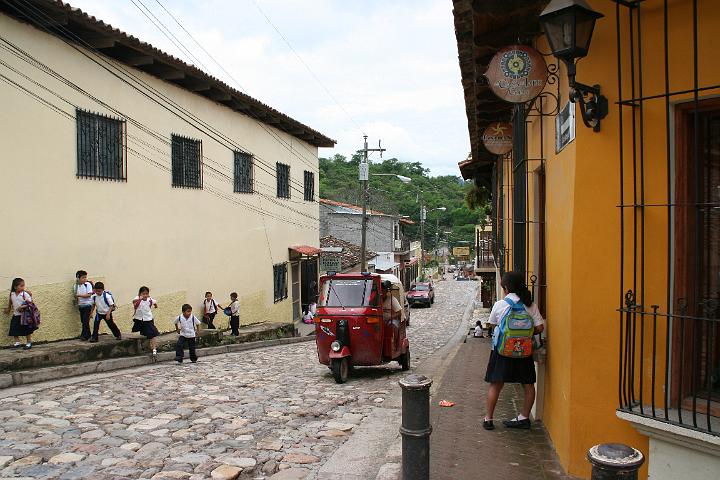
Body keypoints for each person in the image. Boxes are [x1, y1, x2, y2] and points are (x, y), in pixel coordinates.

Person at [483, 271, 544, 431]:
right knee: (528, 384)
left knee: (495, 384)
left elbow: (492, 325)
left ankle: (488, 419)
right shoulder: (530, 305)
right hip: (524, 351)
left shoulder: (500, 305)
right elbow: (539, 327)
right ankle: (524, 417)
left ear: (506, 288)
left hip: (502, 351)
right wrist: (525, 334)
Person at [5, 277, 35, 350]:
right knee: (14, 328)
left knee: (26, 329)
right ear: (15, 287)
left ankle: (28, 343)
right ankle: (17, 342)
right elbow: (10, 301)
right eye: (21, 286)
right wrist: (8, 309)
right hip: (16, 315)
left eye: (23, 285)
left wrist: (22, 307)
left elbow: (30, 303)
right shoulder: (12, 294)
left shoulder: (25, 294)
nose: (23, 287)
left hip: (24, 315)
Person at [133, 286, 159, 356]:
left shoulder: (149, 300)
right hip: (140, 319)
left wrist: (156, 306)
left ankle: (154, 349)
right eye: (143, 294)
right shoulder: (137, 298)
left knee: (153, 333)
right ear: (140, 294)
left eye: (146, 294)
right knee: (144, 333)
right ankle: (146, 346)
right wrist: (139, 299)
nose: (145, 295)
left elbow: (154, 302)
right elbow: (134, 302)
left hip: (148, 319)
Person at [381, 280, 402, 350]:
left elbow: (399, 312)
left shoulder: (392, 299)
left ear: (386, 291)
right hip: (380, 320)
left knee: (392, 326)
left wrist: (391, 317)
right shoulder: (376, 300)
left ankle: (395, 344)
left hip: (390, 320)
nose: (381, 293)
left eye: (383, 291)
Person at [74, 270, 94, 341]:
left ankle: (83, 335)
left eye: (85, 277)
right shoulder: (76, 286)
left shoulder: (87, 284)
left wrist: (79, 295)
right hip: (81, 306)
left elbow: (89, 295)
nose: (85, 279)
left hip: (88, 305)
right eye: (83, 277)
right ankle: (88, 335)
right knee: (84, 321)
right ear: (78, 278)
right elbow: (75, 296)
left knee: (85, 321)